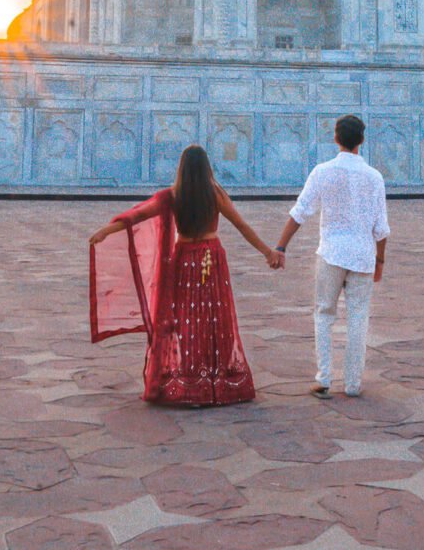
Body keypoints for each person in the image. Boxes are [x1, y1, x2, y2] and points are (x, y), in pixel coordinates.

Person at [89, 144, 281, 407]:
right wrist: (267, 251)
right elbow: (241, 225)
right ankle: (218, 379)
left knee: (187, 319)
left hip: (184, 260)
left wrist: (107, 230)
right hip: (211, 259)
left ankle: (191, 378)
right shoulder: (215, 194)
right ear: (206, 168)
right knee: (215, 317)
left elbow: (138, 214)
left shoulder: (173, 195)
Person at [274, 114, 389, 399]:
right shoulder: (374, 177)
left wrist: (280, 247)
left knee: (324, 313)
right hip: (363, 255)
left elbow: (300, 212)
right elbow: (381, 228)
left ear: (336, 138)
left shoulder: (322, 172)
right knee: (358, 318)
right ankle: (353, 384)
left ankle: (324, 377)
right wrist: (380, 261)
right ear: (362, 140)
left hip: (331, 254)